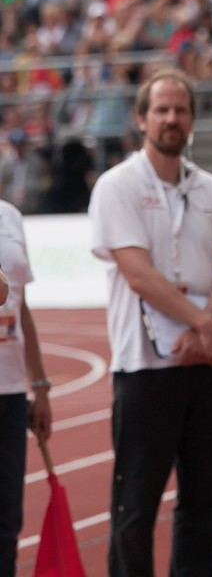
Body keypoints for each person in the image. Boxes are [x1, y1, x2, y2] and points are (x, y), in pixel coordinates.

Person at [89, 67, 212, 577]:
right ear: (141, 118)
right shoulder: (117, 186)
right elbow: (139, 275)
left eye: (181, 110)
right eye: (161, 110)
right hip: (146, 370)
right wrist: (206, 325)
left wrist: (207, 327)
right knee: (135, 507)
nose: (172, 119)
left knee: (207, 503)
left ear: (193, 120)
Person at [0, 196, 53, 575]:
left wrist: (40, 385)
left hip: (11, 390)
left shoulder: (10, 217)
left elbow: (18, 302)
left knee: (6, 522)